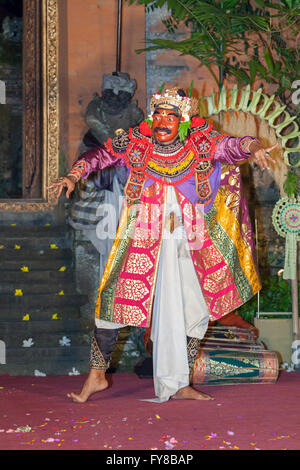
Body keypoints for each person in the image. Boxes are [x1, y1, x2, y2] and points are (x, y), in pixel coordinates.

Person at [48, 86, 277, 403]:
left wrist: (254, 148)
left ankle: (180, 382)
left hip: (190, 239)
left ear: (183, 120)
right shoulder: (136, 143)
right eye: (158, 113)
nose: (162, 120)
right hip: (143, 233)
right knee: (116, 299)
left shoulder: (200, 143)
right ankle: (97, 375)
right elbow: (98, 156)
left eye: (171, 115)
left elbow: (233, 147)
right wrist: (74, 175)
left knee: (195, 308)